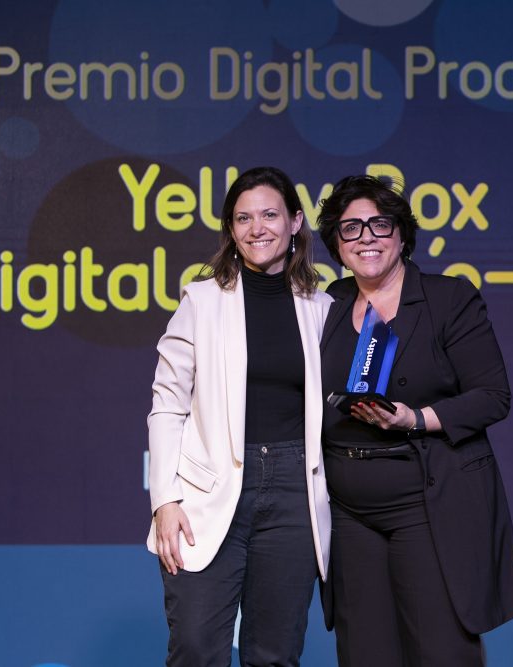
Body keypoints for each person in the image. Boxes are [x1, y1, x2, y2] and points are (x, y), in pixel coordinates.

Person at [316, 174, 513, 666]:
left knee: (441, 652)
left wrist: (416, 417)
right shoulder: (327, 305)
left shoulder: (448, 299)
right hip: (348, 514)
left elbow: (493, 397)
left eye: (379, 224)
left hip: (427, 503)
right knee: (364, 656)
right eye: (350, 228)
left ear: (402, 233)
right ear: (336, 244)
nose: (365, 237)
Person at [146, 166, 333, 666]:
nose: (257, 229)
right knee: (196, 648)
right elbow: (166, 403)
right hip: (207, 494)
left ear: (295, 222)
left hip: (294, 493)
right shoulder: (201, 301)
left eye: (269, 215)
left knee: (274, 655)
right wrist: (164, 499)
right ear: (230, 229)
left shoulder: (322, 308)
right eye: (243, 218)